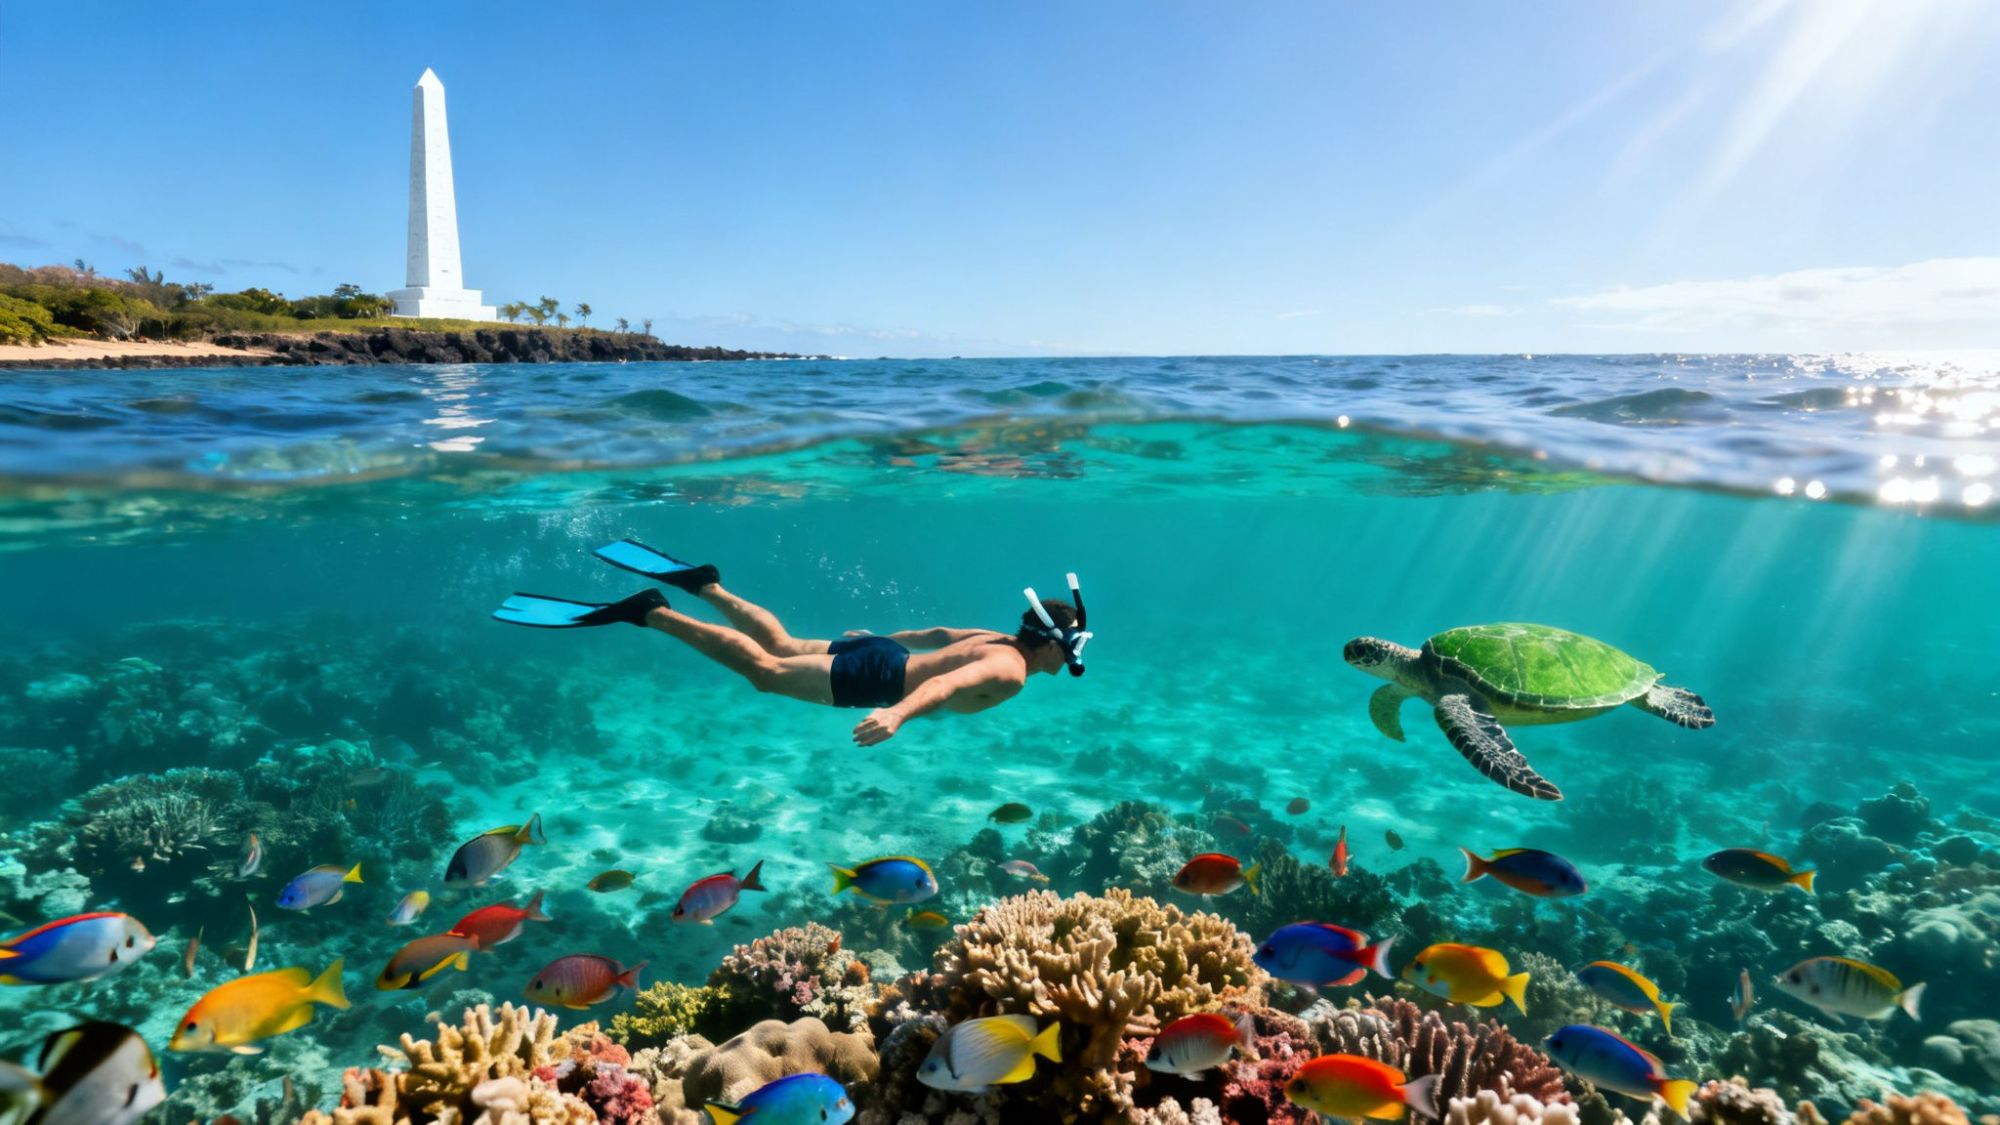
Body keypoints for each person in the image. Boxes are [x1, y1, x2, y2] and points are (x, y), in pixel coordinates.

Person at [493, 540, 1091, 745]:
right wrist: (897, 716)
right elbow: (945, 684)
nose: (1069, 664)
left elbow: (934, 638)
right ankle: (654, 614)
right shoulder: (1010, 672)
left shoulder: (994, 636)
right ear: (1053, 647)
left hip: (883, 656)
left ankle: (707, 586)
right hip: (877, 682)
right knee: (765, 671)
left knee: (779, 641)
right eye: (1069, 653)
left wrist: (876, 637)